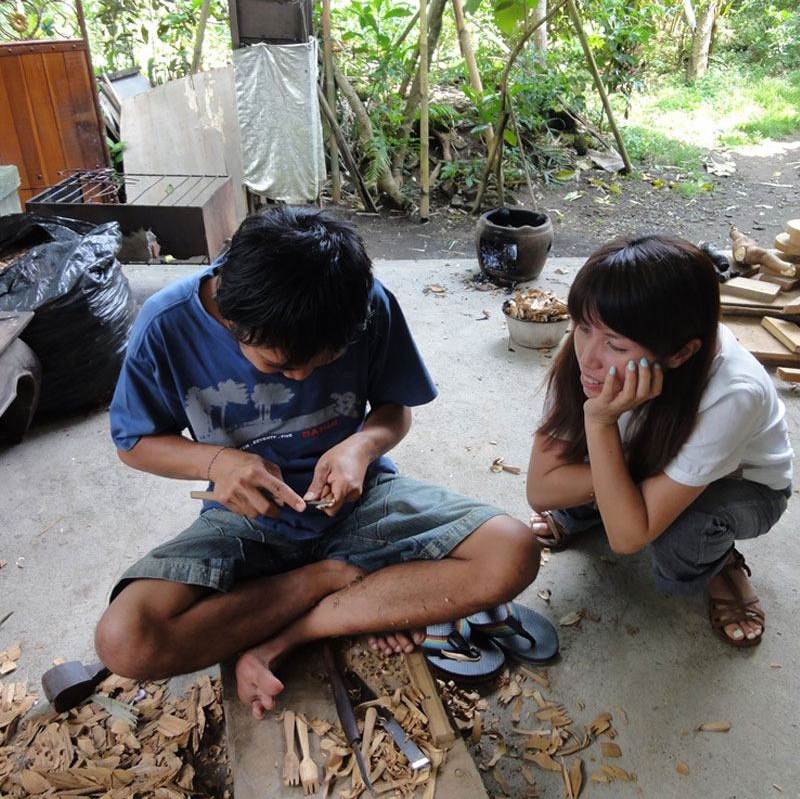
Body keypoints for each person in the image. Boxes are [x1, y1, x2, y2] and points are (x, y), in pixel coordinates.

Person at [95, 206, 540, 718]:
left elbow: (395, 411)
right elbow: (134, 443)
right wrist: (218, 462)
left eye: (322, 363)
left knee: (514, 551)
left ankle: (293, 632)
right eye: (280, 365)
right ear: (231, 318)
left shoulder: (362, 305)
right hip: (249, 518)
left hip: (361, 499)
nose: (302, 378)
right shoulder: (168, 324)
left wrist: (362, 446)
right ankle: (332, 583)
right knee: (126, 640)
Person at [527, 233, 792, 648]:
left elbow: (629, 539)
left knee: (682, 536)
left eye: (616, 345)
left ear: (681, 354)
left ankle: (720, 563)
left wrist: (600, 425)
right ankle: (601, 503)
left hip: (741, 485)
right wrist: (613, 445)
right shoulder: (592, 346)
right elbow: (541, 489)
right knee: (592, 484)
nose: (589, 357)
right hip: (646, 455)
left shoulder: (735, 393)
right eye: (581, 328)